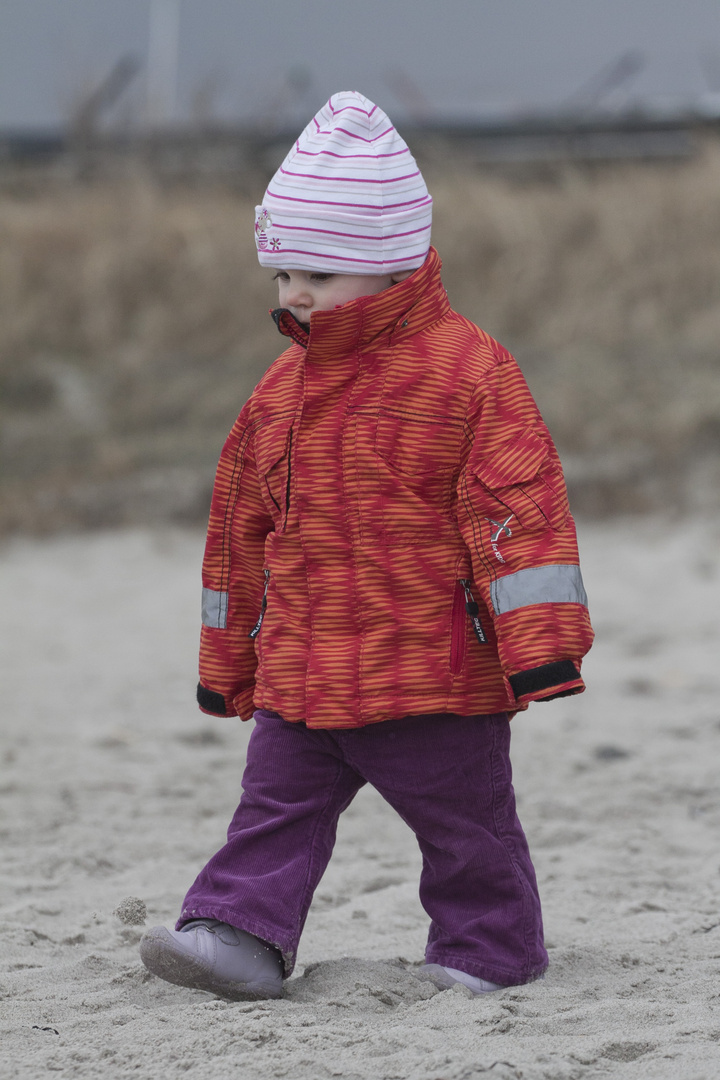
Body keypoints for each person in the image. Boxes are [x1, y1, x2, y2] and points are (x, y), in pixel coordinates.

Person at [139, 91, 594, 1002]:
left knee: (467, 826)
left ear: (387, 264)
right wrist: (228, 663)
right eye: (281, 275)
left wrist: (539, 649)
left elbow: (520, 510)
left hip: (433, 670)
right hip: (303, 674)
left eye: (319, 271)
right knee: (270, 813)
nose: (295, 294)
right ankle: (238, 934)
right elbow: (237, 538)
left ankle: (490, 951)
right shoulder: (279, 393)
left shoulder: (470, 371)